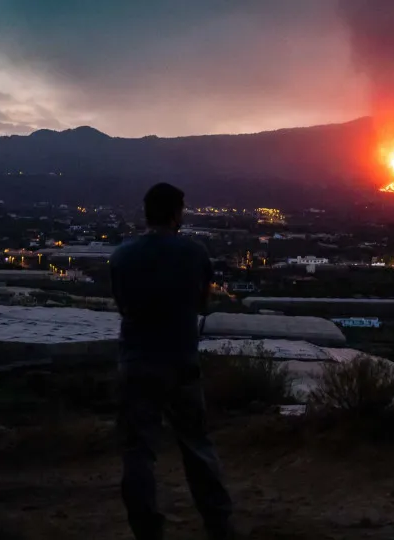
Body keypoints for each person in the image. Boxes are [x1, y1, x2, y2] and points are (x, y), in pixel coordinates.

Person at [110, 183, 235, 540]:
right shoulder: (194, 253)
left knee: (137, 451)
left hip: (136, 360)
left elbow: (122, 305)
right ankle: (218, 524)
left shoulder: (122, 255)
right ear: (177, 213)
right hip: (181, 359)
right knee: (196, 444)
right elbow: (202, 306)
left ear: (146, 212)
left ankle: (146, 529)